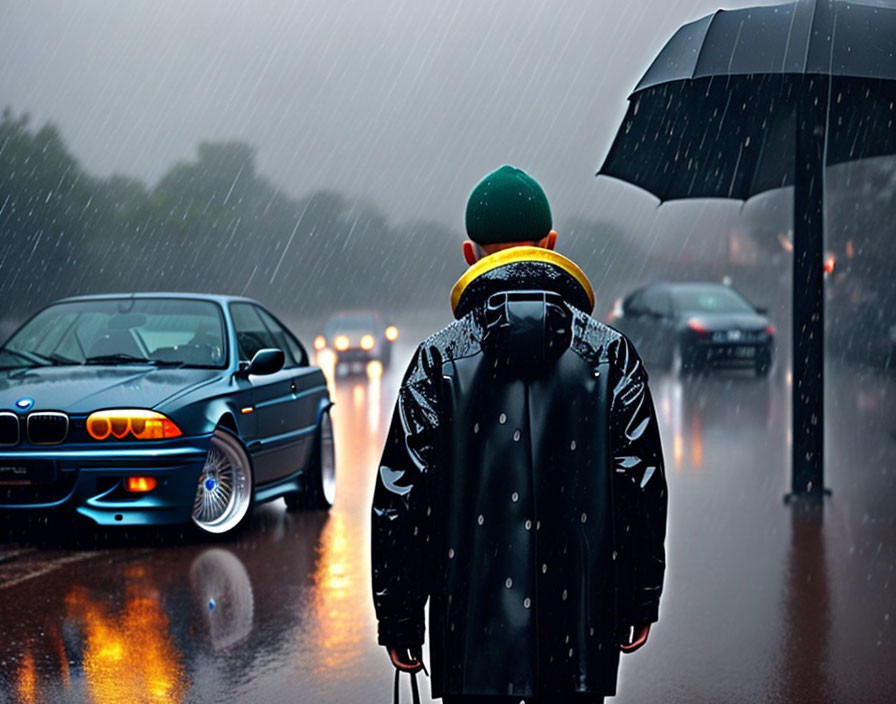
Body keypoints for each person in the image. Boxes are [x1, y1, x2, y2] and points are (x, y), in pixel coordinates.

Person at [371, 165, 667, 703]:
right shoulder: (610, 355)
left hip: (472, 646)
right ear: (551, 245)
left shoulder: (438, 359)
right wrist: (638, 600)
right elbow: (639, 486)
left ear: (470, 254)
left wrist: (400, 619)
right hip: (580, 635)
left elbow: (401, 498)